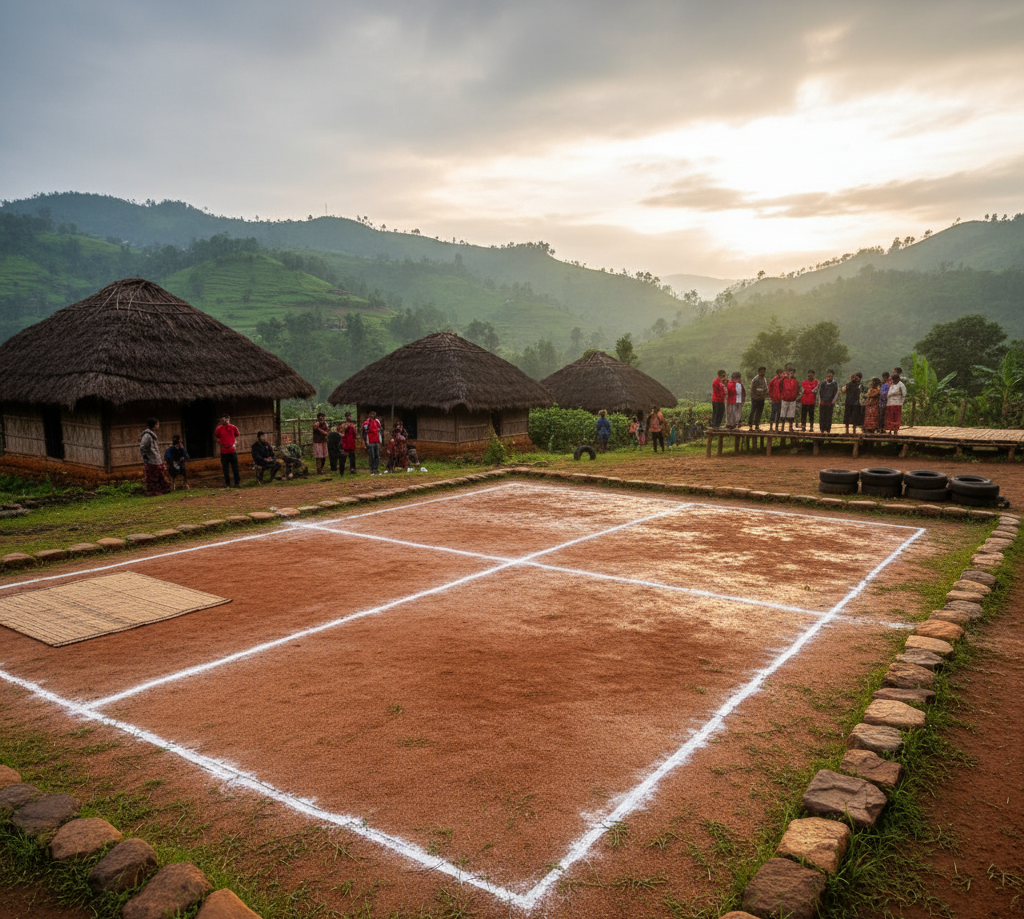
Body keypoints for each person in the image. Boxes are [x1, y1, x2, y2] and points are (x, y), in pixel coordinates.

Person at [139, 418, 171, 496]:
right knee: (152, 477)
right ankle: (152, 491)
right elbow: (142, 447)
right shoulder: (147, 436)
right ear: (154, 425)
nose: (158, 426)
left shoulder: (153, 435)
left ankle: (164, 489)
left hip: (156, 459)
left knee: (160, 475)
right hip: (151, 460)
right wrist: (147, 457)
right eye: (157, 424)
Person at [215, 413, 241, 488]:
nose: (225, 421)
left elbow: (237, 435)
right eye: (224, 419)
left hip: (232, 450)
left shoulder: (233, 427)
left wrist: (234, 442)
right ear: (221, 420)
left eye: (227, 419)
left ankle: (237, 483)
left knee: (235, 467)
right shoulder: (219, 429)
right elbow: (217, 437)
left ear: (229, 419)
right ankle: (228, 484)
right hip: (224, 451)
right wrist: (220, 442)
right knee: (225, 469)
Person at [779, 368, 800, 432]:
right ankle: (782, 427)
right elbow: (780, 388)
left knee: (791, 414)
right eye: (790, 372)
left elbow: (798, 389)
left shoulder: (796, 381)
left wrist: (795, 396)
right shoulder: (783, 380)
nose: (791, 373)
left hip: (792, 399)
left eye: (793, 372)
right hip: (785, 399)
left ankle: (790, 427)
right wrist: (782, 395)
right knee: (783, 413)